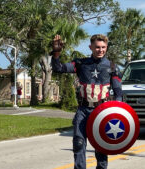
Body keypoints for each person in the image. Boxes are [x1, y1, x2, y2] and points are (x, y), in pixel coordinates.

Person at [51, 34, 122, 169]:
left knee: (101, 146)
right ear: (91, 47)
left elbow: (118, 94)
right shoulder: (80, 63)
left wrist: (115, 114)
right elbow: (58, 68)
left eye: (103, 47)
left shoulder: (113, 67)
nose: (100, 50)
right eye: (97, 47)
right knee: (78, 144)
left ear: (106, 48)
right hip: (83, 111)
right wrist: (56, 54)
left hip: (102, 112)